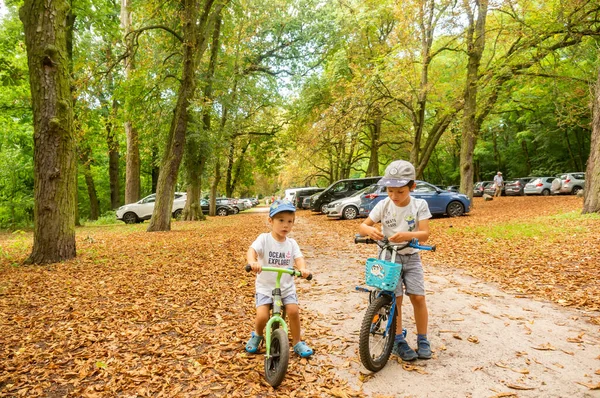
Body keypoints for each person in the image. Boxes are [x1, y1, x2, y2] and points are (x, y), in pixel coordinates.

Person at [358, 160, 432, 361]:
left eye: (400, 191)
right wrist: (370, 230)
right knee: (395, 299)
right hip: (389, 257)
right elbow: (362, 226)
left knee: (418, 297)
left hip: (411, 256)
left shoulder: (419, 205)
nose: (394, 196)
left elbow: (424, 234)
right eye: (390, 190)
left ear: (412, 187)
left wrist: (406, 236)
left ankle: (423, 339)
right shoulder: (383, 205)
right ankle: (398, 339)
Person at [245, 199, 314, 358]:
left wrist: (302, 268)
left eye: (290, 222)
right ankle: (257, 335)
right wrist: (252, 262)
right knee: (262, 315)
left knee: (293, 311)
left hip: (286, 287)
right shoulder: (264, 239)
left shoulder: (291, 243)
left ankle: (297, 342)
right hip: (265, 287)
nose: (286, 225)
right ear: (270, 221)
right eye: (281, 220)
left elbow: (299, 258)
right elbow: (252, 250)